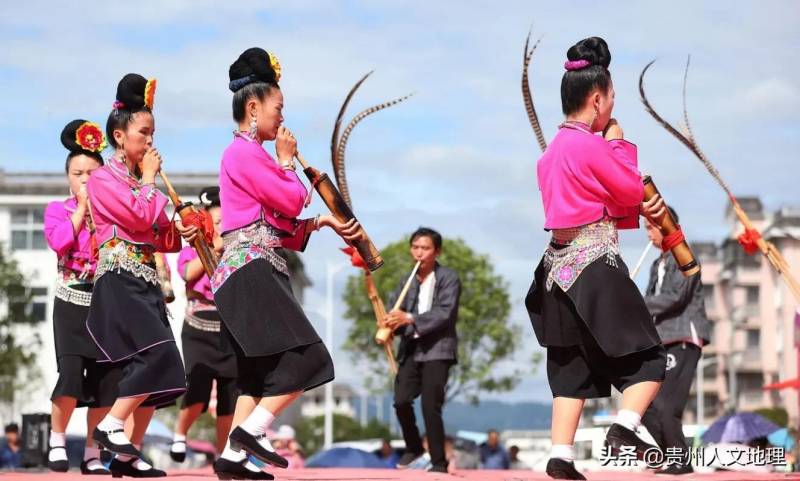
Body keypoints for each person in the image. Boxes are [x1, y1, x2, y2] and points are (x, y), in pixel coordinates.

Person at [211, 47, 360, 480]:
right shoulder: (243, 154)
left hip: (248, 268)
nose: (282, 118)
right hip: (250, 269)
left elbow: (281, 224)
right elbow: (291, 199)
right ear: (253, 107)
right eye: (279, 108)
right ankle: (252, 432)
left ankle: (232, 458)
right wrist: (287, 161)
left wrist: (323, 223)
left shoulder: (247, 155)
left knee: (255, 377)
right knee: (310, 361)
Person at [525, 37, 667, 480]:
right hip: (593, 264)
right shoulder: (591, 146)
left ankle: (561, 454)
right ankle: (625, 428)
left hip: (555, 268)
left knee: (571, 365)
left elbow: (597, 200)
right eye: (611, 99)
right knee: (650, 358)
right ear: (597, 97)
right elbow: (627, 189)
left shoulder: (550, 155)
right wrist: (620, 144)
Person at [87, 73, 191, 477]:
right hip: (119, 279)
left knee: (161, 369)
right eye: (143, 133)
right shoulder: (101, 179)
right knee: (160, 353)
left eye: (153, 133)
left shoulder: (135, 182)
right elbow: (139, 215)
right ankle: (111, 425)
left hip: (144, 279)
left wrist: (180, 229)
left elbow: (160, 237)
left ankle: (127, 457)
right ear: (119, 135)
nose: (150, 142)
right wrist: (150, 180)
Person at [43, 119, 117, 474]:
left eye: (91, 172)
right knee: (71, 374)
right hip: (70, 303)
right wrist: (81, 211)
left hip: (104, 305)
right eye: (77, 173)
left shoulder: (113, 214)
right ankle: (57, 440)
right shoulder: (58, 209)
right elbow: (59, 242)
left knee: (106, 382)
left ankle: (92, 452)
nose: (85, 179)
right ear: (68, 177)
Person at [384, 227, 461, 474]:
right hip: (411, 348)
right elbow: (395, 311)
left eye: (425, 248)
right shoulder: (406, 281)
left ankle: (439, 462)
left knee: (430, 406)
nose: (419, 253)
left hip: (438, 350)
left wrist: (409, 318)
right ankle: (414, 447)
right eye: (415, 247)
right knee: (400, 400)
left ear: (436, 251)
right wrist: (389, 323)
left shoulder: (448, 278)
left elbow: (445, 312)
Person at [640, 207, 710, 476]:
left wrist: (637, 304)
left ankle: (680, 460)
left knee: (668, 406)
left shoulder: (684, 256)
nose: (648, 235)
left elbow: (675, 297)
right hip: (661, 341)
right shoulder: (656, 264)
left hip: (683, 336)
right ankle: (673, 456)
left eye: (650, 228)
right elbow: (648, 303)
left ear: (665, 226)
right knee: (644, 405)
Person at [170, 187, 238, 462]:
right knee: (197, 392)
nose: (221, 227)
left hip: (230, 329)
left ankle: (224, 456)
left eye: (225, 222)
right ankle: (180, 433)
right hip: (198, 328)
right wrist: (212, 247)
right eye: (217, 222)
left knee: (230, 396)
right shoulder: (191, 251)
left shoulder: (237, 250)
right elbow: (187, 274)